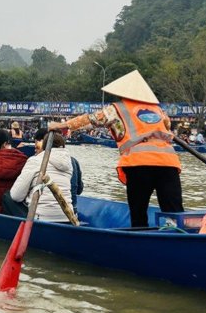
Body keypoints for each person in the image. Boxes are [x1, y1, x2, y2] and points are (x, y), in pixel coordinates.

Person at [47, 70, 183, 227]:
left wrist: (62, 125)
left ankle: (141, 240)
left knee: (138, 214)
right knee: (174, 213)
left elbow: (89, 119)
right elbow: (167, 126)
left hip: (138, 164)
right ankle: (178, 237)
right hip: (168, 163)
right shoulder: (157, 110)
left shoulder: (117, 109)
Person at [7, 130, 76, 222]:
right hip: (67, 217)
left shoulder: (35, 160)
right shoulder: (69, 164)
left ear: (44, 146)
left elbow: (16, 196)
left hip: (41, 217)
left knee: (7, 196)